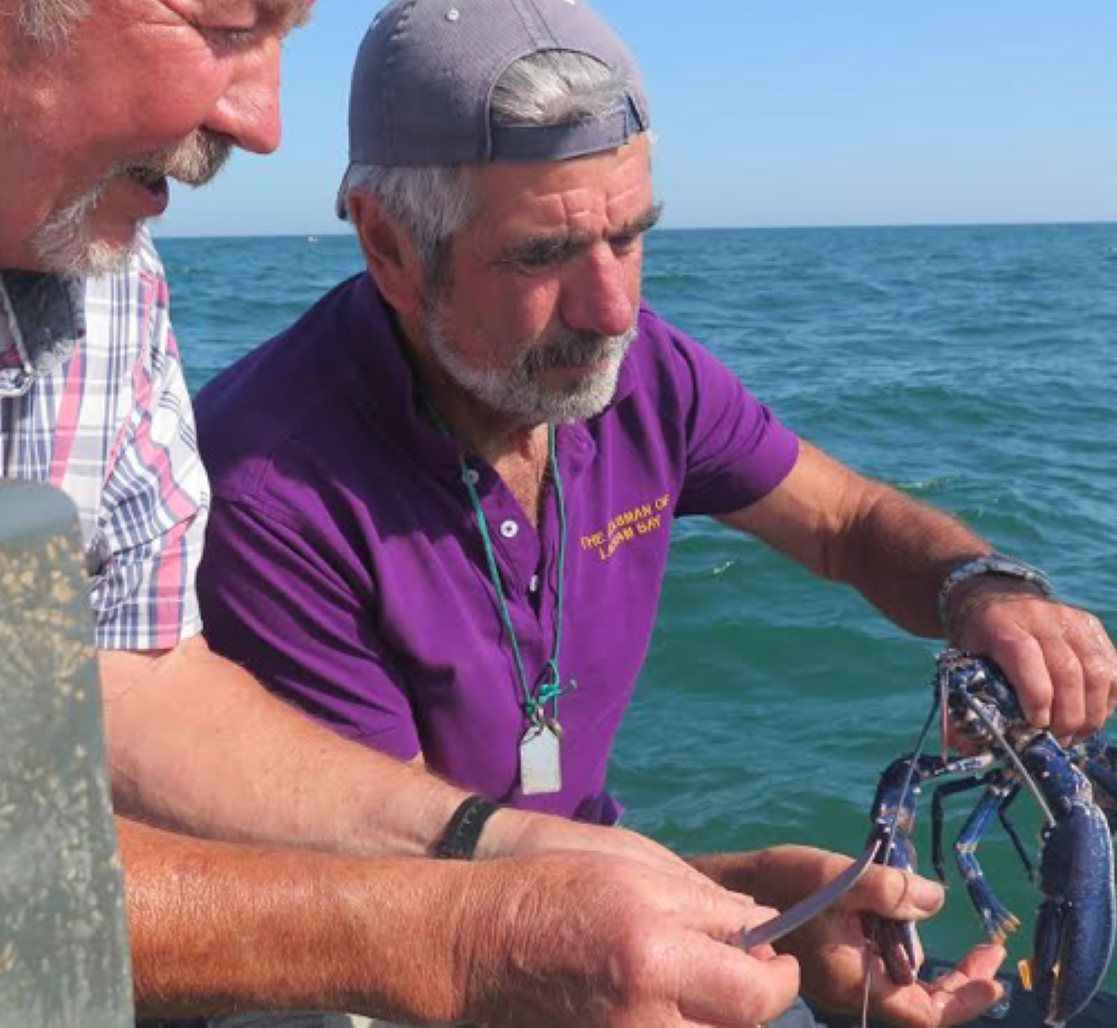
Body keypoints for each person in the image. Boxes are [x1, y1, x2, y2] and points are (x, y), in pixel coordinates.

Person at [193, 0, 1117, 1024]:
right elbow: (429, 897)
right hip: (370, 955)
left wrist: (978, 588)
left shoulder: (644, 374)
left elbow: (848, 522)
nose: (612, 310)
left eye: (631, 237)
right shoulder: (268, 488)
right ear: (388, 246)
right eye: (541, 254)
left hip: (551, 891)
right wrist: (752, 901)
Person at [0, 1, 875, 1024]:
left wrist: (515, 858)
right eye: (224, 24)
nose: (264, 121)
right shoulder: (272, 471)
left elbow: (124, 682)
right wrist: (471, 930)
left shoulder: (109, 286)